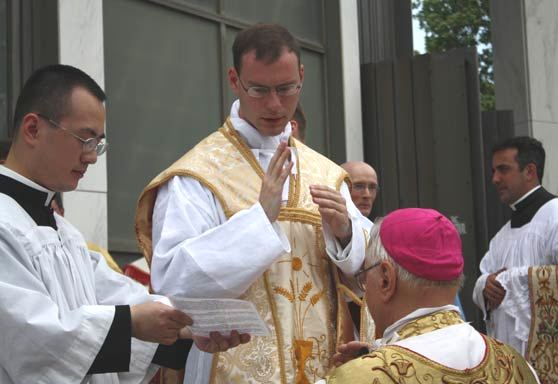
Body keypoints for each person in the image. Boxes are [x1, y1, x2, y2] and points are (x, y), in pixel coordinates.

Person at [136, 23, 369, 383]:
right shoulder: (197, 175)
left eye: (286, 88)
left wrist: (346, 233)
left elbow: (374, 265)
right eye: (259, 90)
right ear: (234, 80)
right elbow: (174, 281)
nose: (275, 104)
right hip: (231, 368)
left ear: (301, 77)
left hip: (323, 369)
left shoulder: (325, 173)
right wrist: (260, 220)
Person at [0, 64, 248, 383]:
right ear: (33, 129)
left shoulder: (66, 236)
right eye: (84, 139)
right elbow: (32, 338)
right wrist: (129, 322)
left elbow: (119, 299)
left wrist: (192, 328)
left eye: (98, 144)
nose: (91, 157)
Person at [320, 208, 539, 383]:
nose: (365, 288)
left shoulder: (358, 378)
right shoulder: (515, 364)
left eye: (364, 276)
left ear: (386, 279)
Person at [472, 136, 558, 380]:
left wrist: (509, 281)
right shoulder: (501, 236)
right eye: (493, 171)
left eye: (503, 170)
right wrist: (486, 285)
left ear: (529, 171)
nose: (495, 179)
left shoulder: (555, 215)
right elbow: (483, 278)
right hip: (509, 362)